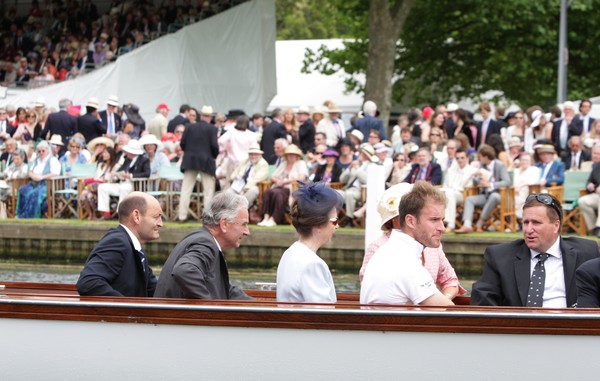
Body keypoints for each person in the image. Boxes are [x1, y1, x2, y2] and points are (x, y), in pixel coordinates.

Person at [471, 193, 600, 307]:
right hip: (519, 330)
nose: (528, 230)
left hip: (573, 329)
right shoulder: (500, 256)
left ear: (556, 226)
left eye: (536, 223)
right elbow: (483, 300)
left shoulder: (587, 252)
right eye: (526, 222)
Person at [359, 183, 465, 300]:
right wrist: (438, 302)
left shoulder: (431, 244)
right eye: (434, 219)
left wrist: (443, 298)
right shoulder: (387, 250)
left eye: (441, 220)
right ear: (407, 220)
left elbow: (450, 281)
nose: (442, 228)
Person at [154, 191, 252, 300]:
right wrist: (210, 308)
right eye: (244, 224)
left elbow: (224, 290)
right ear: (224, 224)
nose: (247, 232)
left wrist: (256, 306)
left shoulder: (203, 240)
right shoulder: (205, 243)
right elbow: (184, 271)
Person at [76, 192, 162, 297]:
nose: (160, 223)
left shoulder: (135, 247)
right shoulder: (117, 242)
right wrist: (125, 307)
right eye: (156, 217)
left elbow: (154, 289)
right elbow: (88, 283)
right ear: (136, 216)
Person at [276, 182, 344, 303]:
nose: (337, 226)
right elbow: (322, 315)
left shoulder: (289, 253)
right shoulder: (313, 264)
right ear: (318, 224)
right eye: (334, 221)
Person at [454, 144, 511, 233]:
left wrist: (491, 185)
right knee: (469, 199)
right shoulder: (482, 166)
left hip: (500, 195)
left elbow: (507, 182)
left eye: (480, 157)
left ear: (486, 157)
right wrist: (476, 177)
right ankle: (467, 225)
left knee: (494, 196)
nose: (479, 159)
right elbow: (476, 182)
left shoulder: (500, 165)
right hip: (486, 195)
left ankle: (479, 224)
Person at [178, 105, 219, 222]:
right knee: (208, 190)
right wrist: (213, 156)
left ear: (201, 115)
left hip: (190, 160)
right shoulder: (212, 129)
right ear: (210, 117)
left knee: (186, 189)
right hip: (206, 160)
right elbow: (214, 146)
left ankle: (182, 216)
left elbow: (183, 144)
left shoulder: (190, 127)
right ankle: (207, 217)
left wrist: (190, 153)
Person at [96, 140, 151, 219]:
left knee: (124, 188)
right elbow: (120, 170)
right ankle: (105, 213)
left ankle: (121, 214)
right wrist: (117, 175)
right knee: (103, 187)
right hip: (122, 183)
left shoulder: (144, 160)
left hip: (135, 185)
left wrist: (130, 176)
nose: (127, 153)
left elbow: (147, 173)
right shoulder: (126, 159)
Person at [258, 144, 308, 226]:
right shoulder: (283, 164)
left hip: (292, 189)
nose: (291, 156)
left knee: (278, 194)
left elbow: (301, 178)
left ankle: (273, 219)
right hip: (278, 186)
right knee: (268, 192)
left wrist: (285, 182)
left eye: (293, 154)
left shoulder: (301, 163)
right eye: (289, 154)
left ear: (296, 156)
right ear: (286, 155)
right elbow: (272, 176)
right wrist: (278, 181)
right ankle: (266, 217)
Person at [16, 141, 61, 218]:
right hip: (34, 182)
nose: (41, 153)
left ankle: (32, 216)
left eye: (43, 151)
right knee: (23, 190)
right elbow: (30, 171)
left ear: (47, 150)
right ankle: (20, 215)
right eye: (39, 151)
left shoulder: (53, 160)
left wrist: (42, 177)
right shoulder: (36, 160)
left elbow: (55, 173)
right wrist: (33, 176)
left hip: (46, 184)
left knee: (35, 194)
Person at [442, 148, 477, 232]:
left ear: (467, 158)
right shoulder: (451, 170)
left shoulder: (473, 171)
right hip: (448, 193)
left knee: (450, 194)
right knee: (439, 194)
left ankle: (451, 224)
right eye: (457, 158)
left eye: (462, 158)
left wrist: (452, 189)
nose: (460, 160)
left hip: (463, 195)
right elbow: (445, 184)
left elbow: (469, 187)